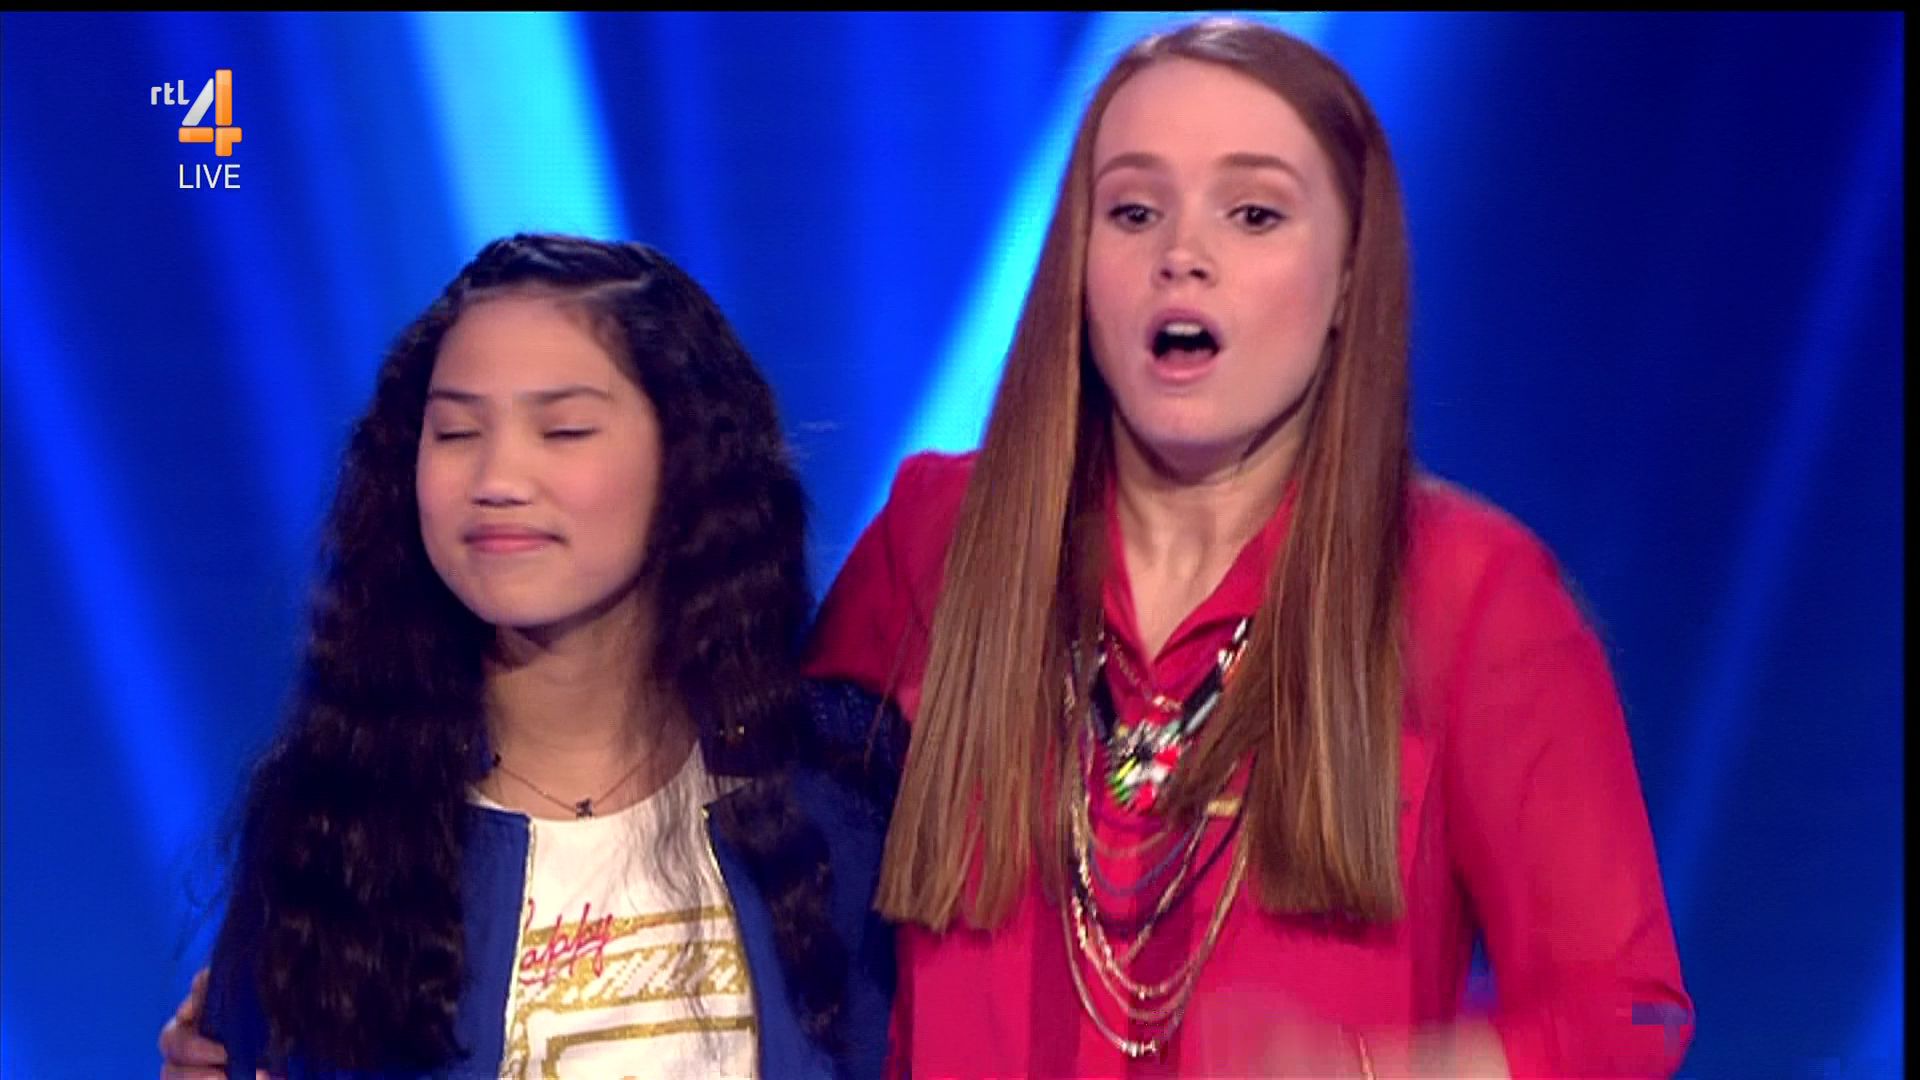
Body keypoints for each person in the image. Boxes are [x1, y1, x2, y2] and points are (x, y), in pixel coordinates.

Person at [803, 17, 1693, 1078]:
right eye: (1134, 211)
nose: (1182, 255)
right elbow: (767, 874)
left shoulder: (1472, 595)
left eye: (1254, 213)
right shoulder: (936, 541)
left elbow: (1632, 1018)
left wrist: (1372, 1073)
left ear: (1350, 279)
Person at [162, 233, 896, 1079]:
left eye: (564, 429)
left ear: (689, 459)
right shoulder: (336, 823)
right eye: (456, 431)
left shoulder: (842, 790)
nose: (498, 478)